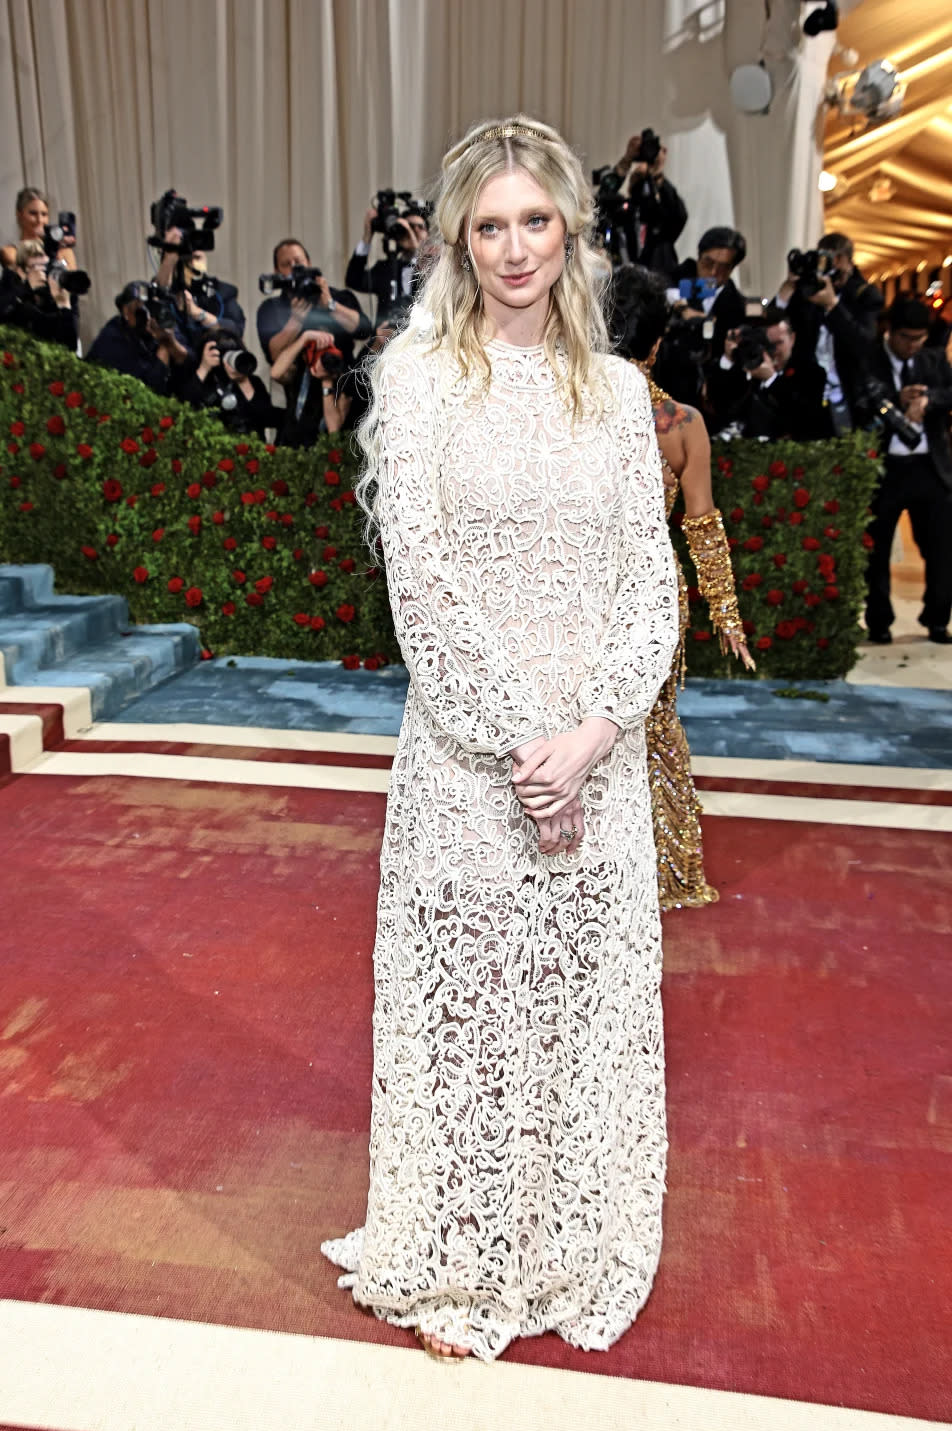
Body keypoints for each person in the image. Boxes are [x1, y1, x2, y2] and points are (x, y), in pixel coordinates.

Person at [322, 115, 679, 1363]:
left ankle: (571, 1246)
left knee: (579, 1009)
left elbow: (655, 581)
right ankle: (466, 1254)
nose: (516, 247)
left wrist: (591, 735)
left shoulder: (622, 393)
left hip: (596, 758)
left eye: (536, 221)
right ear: (457, 242)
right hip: (470, 767)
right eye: (491, 226)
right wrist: (525, 745)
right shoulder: (417, 382)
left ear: (570, 230)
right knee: (470, 1005)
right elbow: (420, 586)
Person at [610, 265, 753, 908]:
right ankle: (667, 871)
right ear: (660, 341)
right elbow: (701, 524)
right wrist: (725, 611)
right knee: (656, 722)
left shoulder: (565, 411)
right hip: (655, 591)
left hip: (582, 586)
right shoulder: (682, 421)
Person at [860, 296, 952, 646]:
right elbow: (860, 401)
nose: (913, 346)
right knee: (877, 549)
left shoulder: (932, 359)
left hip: (931, 467)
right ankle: (879, 622)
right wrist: (895, 402)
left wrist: (929, 401)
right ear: (890, 331)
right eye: (906, 338)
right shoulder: (870, 357)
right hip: (886, 468)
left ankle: (938, 618)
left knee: (941, 547)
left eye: (919, 338)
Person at [771, 231, 882, 434]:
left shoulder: (864, 295)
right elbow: (774, 323)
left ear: (847, 261)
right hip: (808, 392)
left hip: (850, 394)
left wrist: (832, 305)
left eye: (835, 261)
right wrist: (788, 289)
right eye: (825, 261)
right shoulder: (809, 290)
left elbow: (864, 343)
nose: (831, 269)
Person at [656, 226, 747, 407]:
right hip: (665, 373)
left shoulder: (735, 304)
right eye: (708, 263)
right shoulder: (672, 278)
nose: (713, 272)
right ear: (699, 256)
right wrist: (681, 309)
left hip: (705, 387)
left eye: (723, 267)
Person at [707, 310, 827, 440]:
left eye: (779, 343)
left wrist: (772, 379)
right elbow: (717, 404)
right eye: (768, 344)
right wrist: (728, 359)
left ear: (792, 338)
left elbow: (806, 419)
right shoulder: (748, 366)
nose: (774, 350)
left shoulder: (811, 372)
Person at [255, 238, 368, 365]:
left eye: (298, 262)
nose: (294, 268)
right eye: (286, 264)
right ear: (277, 272)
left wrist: (331, 305)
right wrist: (295, 320)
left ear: (308, 263)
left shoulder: (338, 296)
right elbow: (273, 355)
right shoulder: (270, 308)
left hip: (343, 378)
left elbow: (364, 330)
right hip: (299, 382)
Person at [87, 281, 189, 393]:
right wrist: (164, 348)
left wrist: (170, 341)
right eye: (141, 311)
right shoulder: (112, 337)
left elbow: (188, 361)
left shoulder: (162, 322)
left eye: (152, 308)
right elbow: (147, 389)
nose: (148, 317)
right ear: (125, 311)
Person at [612, 132, 687, 280]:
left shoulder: (660, 220)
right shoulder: (622, 211)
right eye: (638, 177)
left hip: (660, 281)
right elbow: (601, 200)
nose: (642, 183)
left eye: (646, 180)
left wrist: (657, 176)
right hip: (626, 285)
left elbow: (679, 216)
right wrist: (626, 160)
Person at [180, 328, 282, 436]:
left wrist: (243, 382)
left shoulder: (253, 381)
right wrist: (204, 368)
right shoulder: (202, 380)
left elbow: (268, 418)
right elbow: (184, 407)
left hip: (249, 448)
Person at [152, 227, 247, 341]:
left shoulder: (222, 291)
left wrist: (198, 313)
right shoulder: (168, 291)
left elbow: (235, 330)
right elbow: (158, 293)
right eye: (188, 260)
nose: (193, 264)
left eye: (198, 258)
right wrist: (170, 256)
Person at [345, 201, 430, 323]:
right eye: (409, 226)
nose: (414, 231)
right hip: (383, 338)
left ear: (428, 235)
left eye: (420, 227)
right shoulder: (385, 268)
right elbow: (353, 280)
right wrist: (367, 237)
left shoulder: (435, 267)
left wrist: (416, 250)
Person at [0, 239, 78, 350]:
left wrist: (64, 305)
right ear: (21, 270)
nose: (41, 273)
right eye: (35, 267)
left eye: (44, 266)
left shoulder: (56, 291)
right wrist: (26, 288)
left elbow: (70, 346)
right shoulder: (10, 285)